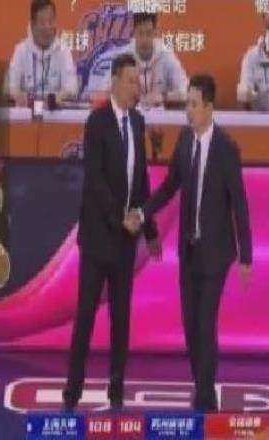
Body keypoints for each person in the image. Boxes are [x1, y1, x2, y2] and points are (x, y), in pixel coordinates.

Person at [127, 74, 253, 412]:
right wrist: (142, 212)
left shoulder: (226, 149)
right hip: (189, 251)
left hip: (217, 253)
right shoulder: (184, 140)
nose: (189, 111)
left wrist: (246, 256)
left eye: (194, 105)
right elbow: (170, 186)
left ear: (209, 108)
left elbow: (239, 203)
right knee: (191, 327)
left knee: (206, 323)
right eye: (187, 104)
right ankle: (202, 386)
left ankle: (206, 401)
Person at [63, 53, 161, 410]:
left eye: (139, 81)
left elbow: (141, 180)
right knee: (86, 318)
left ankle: (116, 390)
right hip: (98, 237)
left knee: (121, 320)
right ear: (116, 82)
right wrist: (119, 216)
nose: (138, 88)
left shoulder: (137, 122)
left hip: (125, 241)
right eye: (132, 81)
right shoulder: (97, 122)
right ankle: (72, 392)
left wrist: (149, 229)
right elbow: (95, 179)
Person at [84, 12, 188, 107]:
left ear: (156, 32)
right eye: (140, 33)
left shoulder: (166, 55)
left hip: (161, 117)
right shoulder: (124, 56)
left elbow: (186, 92)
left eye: (149, 33)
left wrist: (163, 97)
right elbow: (104, 90)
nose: (144, 40)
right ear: (133, 32)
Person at [6, 0, 78, 106]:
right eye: (42, 23)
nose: (47, 27)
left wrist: (53, 99)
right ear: (32, 25)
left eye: (51, 21)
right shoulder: (21, 50)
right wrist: (18, 96)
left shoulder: (63, 50)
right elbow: (11, 88)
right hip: (26, 115)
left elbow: (71, 88)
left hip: (55, 114)